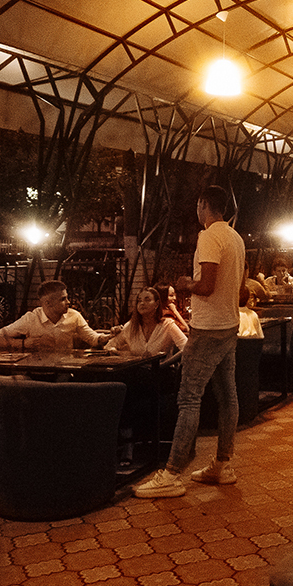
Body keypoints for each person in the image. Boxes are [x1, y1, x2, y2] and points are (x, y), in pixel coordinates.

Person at [135, 185, 245, 497]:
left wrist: (187, 284)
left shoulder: (209, 236)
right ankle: (223, 464)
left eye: (198, 205)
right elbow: (239, 289)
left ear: (203, 204)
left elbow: (207, 285)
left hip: (208, 329)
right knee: (228, 396)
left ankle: (171, 474)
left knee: (188, 398)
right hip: (229, 325)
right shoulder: (235, 237)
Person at [0, 280, 100, 351]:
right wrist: (23, 343)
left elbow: (92, 338)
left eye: (67, 298)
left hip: (64, 370)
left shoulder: (74, 316)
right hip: (37, 371)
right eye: (63, 299)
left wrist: (105, 338)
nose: (68, 302)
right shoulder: (32, 318)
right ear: (48, 303)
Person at [112, 284, 189, 357]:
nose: (142, 303)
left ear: (157, 304)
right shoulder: (131, 326)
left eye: (147, 300)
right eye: (139, 300)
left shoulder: (167, 325)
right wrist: (122, 354)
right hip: (136, 366)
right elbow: (110, 346)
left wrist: (171, 361)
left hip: (162, 366)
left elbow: (186, 348)